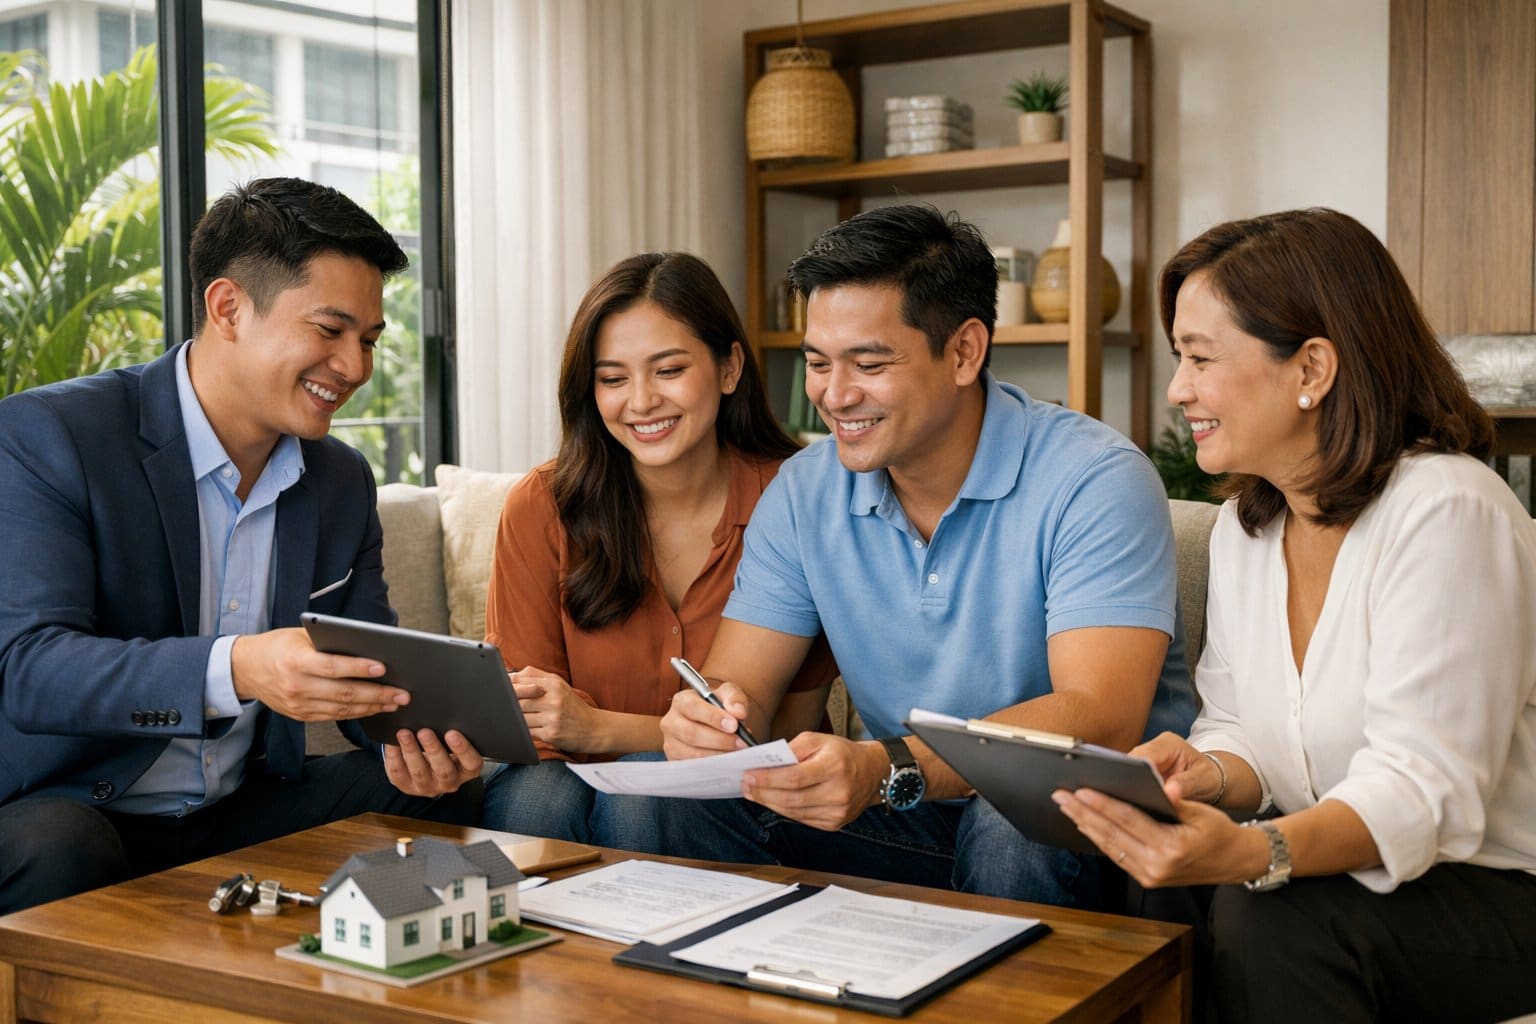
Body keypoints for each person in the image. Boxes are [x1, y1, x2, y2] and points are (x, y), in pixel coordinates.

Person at [592, 204, 1196, 906]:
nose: (834, 395)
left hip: (1097, 829)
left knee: (1013, 818)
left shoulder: (1093, 478)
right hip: (910, 817)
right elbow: (742, 686)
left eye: (869, 364)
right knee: (658, 800)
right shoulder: (804, 491)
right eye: (818, 363)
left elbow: (1099, 715)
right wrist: (714, 719)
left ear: (965, 352)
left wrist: (884, 767)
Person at [1053, 208, 1536, 1021]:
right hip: (1369, 882)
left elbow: (1427, 790)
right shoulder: (1255, 527)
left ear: (1312, 366)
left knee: (1270, 912)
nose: (1179, 390)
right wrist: (1203, 775)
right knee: (1159, 886)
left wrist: (1257, 848)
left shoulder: (1448, 510)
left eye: (1201, 358)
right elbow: (1240, 724)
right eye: (1180, 358)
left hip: (1501, 887)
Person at [0, 177, 483, 915]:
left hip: (237, 811)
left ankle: (335, 983)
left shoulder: (339, 480)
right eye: (330, 330)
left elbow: (365, 666)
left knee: (441, 790)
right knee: (60, 844)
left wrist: (432, 725)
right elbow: (33, 671)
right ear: (228, 308)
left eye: (369, 340)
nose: (355, 367)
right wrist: (240, 669)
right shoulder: (53, 437)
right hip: (77, 806)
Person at [479, 252, 837, 841]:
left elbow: (774, 741)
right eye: (613, 378)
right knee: (536, 798)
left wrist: (598, 729)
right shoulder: (541, 506)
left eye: (668, 370)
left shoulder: (795, 498)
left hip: (742, 797)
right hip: (559, 788)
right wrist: (585, 734)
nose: (641, 401)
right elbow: (533, 731)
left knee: (646, 793)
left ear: (729, 368)